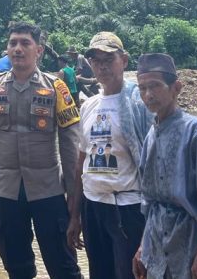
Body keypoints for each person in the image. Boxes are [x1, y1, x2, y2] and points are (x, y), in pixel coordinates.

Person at [0, 21, 83, 279]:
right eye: (13, 43)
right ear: (7, 49)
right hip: (7, 190)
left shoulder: (57, 88)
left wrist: (75, 195)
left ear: (39, 50)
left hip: (49, 189)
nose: (18, 49)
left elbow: (70, 144)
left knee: (63, 264)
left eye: (25, 43)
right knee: (16, 265)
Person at [132, 53, 197, 279]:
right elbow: (149, 202)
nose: (148, 94)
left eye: (154, 86)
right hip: (156, 241)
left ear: (176, 87)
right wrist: (142, 247)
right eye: (142, 88)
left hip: (189, 239)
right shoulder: (151, 134)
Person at [66, 32, 153, 279]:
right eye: (96, 60)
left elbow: (156, 164)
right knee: (100, 273)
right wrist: (75, 215)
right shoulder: (88, 105)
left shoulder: (140, 102)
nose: (102, 66)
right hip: (94, 206)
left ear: (124, 61)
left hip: (128, 207)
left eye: (109, 59)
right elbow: (81, 161)